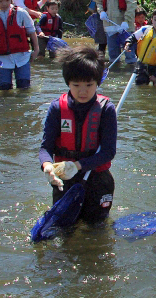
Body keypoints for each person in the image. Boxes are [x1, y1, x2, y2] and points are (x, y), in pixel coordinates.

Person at [39, 46, 117, 225]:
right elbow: (45, 147)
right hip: (64, 178)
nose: (83, 91)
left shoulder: (106, 109)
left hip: (98, 179)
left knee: (96, 227)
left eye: (89, 85)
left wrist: (78, 165)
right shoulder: (57, 108)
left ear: (98, 82)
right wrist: (48, 166)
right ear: (68, 83)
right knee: (64, 229)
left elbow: (108, 152)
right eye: (76, 85)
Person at [125, 7, 156, 86]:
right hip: (141, 64)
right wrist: (128, 43)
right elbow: (133, 37)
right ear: (152, 20)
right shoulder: (145, 30)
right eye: (155, 19)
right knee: (140, 84)